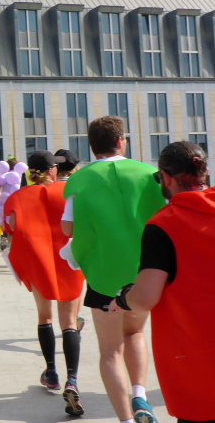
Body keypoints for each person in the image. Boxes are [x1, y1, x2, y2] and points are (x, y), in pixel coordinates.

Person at [61, 116, 165, 423]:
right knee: (135, 332)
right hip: (142, 272)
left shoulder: (80, 179)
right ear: (121, 141)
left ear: (92, 146)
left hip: (103, 273)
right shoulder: (148, 173)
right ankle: (140, 394)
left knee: (109, 352)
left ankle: (125, 419)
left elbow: (67, 227)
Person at [110, 142, 213, 423]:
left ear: (166, 178)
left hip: (198, 363)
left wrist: (123, 297)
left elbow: (145, 298)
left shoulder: (165, 224)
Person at [3, 151, 85, 416]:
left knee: (44, 317)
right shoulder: (68, 191)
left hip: (39, 262)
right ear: (52, 170)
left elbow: (11, 228)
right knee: (69, 322)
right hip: (69, 260)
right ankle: (72, 379)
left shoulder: (18, 196)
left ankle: (51, 371)